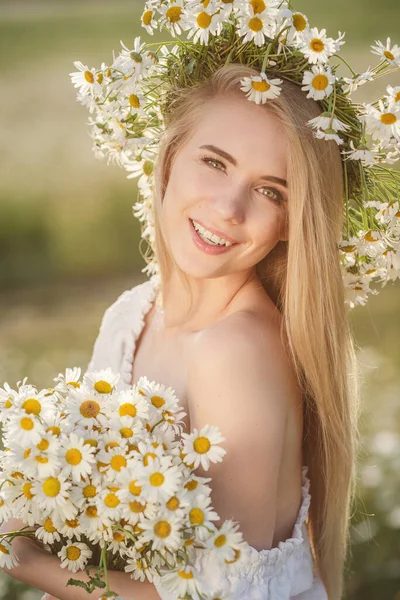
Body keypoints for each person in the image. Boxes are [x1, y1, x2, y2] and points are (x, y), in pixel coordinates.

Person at [1, 63, 360, 600]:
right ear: (169, 156)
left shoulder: (234, 351)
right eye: (215, 163)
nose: (228, 208)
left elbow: (220, 594)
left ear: (291, 221)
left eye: (271, 192)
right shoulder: (133, 314)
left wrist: (27, 561)